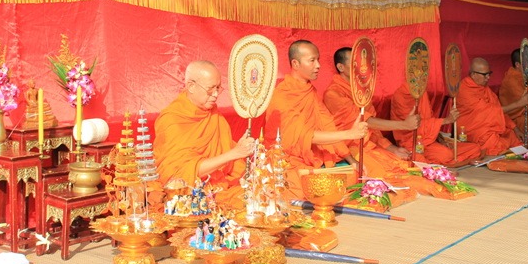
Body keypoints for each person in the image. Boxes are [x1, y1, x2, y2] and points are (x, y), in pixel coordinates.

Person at [264, 40, 368, 199]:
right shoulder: (282, 96)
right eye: (312, 60)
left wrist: (351, 160)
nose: (318, 65)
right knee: (298, 189)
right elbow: (305, 135)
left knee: (357, 173)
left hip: (312, 156)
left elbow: (327, 125)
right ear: (295, 63)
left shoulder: (310, 91)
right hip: (287, 159)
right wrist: (349, 134)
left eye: (318, 60)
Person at [154, 60, 254, 207]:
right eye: (210, 89)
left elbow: (231, 162)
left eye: (218, 88)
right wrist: (234, 153)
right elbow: (180, 174)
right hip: (187, 193)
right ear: (191, 86)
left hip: (218, 187)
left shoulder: (214, 116)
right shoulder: (172, 120)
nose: (215, 95)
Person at [322, 47, 418, 179]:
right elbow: (364, 121)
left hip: (369, 145)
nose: (361, 68)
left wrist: (392, 148)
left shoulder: (361, 92)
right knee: (383, 175)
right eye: (354, 63)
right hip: (349, 148)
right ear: (341, 67)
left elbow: (373, 130)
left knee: (404, 167)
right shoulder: (333, 94)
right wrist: (404, 125)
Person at [390, 74, 483, 168]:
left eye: (424, 76)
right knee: (445, 155)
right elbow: (413, 125)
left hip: (429, 140)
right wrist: (446, 120)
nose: (423, 80)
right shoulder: (401, 96)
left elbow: (428, 120)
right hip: (412, 143)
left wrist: (439, 139)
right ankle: (448, 161)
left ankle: (449, 159)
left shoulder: (421, 92)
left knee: (474, 148)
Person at [456, 58, 523, 155]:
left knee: (511, 135)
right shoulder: (464, 89)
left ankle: (511, 151)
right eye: (485, 75)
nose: (488, 77)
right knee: (492, 140)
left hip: (488, 124)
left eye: (489, 74)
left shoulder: (485, 88)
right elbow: (489, 111)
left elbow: (498, 111)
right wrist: (518, 104)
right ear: (473, 74)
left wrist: (515, 128)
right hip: (471, 129)